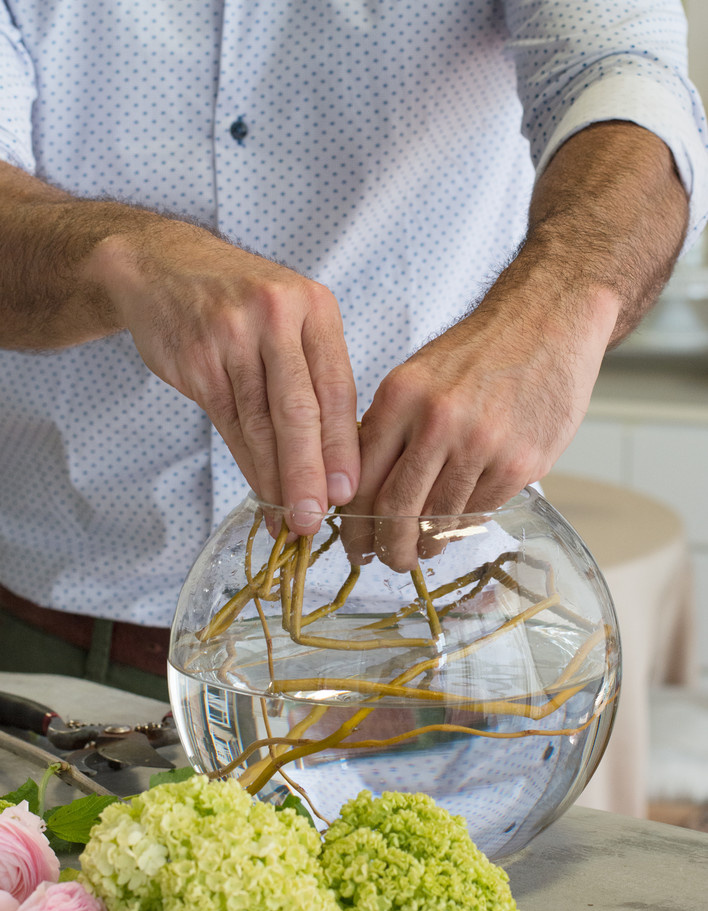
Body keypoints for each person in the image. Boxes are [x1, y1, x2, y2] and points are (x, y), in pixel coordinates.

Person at [0, 0, 706, 699]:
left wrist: (554, 310)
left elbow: (628, 78)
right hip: (60, 668)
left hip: (442, 674)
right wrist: (117, 258)